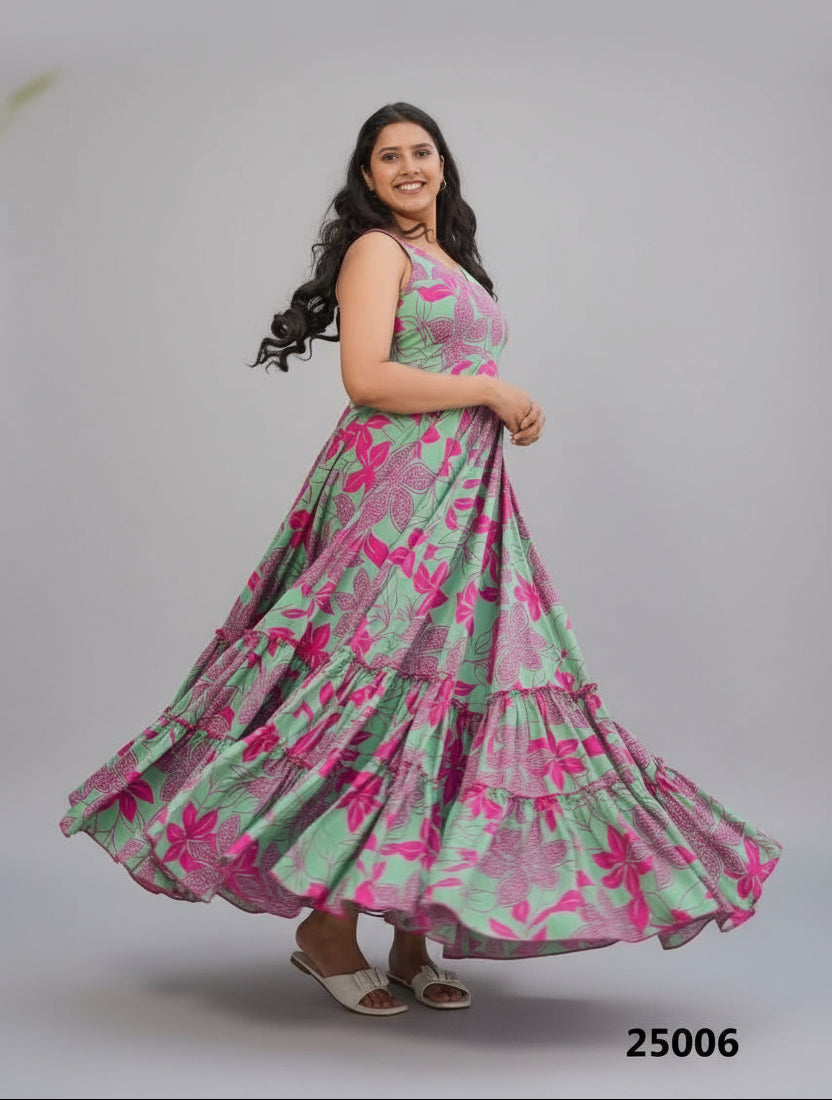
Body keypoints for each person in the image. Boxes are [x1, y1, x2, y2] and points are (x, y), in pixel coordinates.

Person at [59, 101, 782, 1018]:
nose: (407, 167)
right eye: (388, 157)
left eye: (421, 152)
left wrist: (505, 410)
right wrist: (489, 387)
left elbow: (446, 371)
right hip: (392, 500)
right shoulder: (378, 251)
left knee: (454, 696)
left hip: (468, 502)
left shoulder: (451, 259)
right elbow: (368, 377)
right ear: (366, 178)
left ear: (443, 165)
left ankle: (409, 931)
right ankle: (327, 928)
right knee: (373, 695)